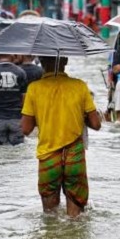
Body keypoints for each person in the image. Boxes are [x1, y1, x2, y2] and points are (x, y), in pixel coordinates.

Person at [21, 56, 102, 217]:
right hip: (74, 156)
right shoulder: (79, 86)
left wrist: (41, 115)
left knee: (50, 217)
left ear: (42, 62)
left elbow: (25, 129)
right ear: (65, 61)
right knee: (76, 218)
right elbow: (96, 124)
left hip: (48, 158)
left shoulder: (34, 88)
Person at [0, 54, 28, 146]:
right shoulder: (21, 72)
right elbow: (25, 98)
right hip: (16, 118)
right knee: (18, 149)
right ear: (12, 56)